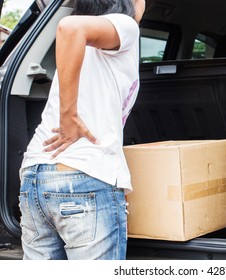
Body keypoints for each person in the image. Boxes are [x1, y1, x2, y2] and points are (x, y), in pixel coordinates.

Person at [18, 0, 146, 260]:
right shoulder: (126, 25)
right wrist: (69, 117)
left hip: (35, 175)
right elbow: (69, 27)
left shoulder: (90, 41)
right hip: (84, 176)